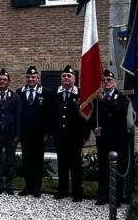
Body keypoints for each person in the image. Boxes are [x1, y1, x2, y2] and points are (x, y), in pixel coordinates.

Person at [50, 65, 90, 202]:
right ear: (61, 78)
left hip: (75, 137)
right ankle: (62, 190)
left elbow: (86, 117)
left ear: (74, 79)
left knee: (75, 165)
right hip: (60, 136)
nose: (66, 78)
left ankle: (77, 192)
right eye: (64, 76)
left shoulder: (81, 94)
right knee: (62, 164)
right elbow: (50, 115)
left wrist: (86, 134)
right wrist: (51, 133)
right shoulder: (54, 93)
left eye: (69, 76)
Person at [93, 69, 130, 206]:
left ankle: (117, 198)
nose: (106, 82)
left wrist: (104, 101)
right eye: (103, 80)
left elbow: (121, 111)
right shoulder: (97, 98)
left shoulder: (120, 97)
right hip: (103, 139)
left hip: (118, 139)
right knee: (103, 168)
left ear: (114, 83)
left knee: (117, 168)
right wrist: (94, 129)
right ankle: (103, 195)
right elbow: (93, 117)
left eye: (109, 80)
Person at [0, 68, 21, 195]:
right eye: (0, 79)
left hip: (11, 135)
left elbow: (18, 116)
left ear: (9, 82)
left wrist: (18, 134)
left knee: (10, 161)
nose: (2, 82)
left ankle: (9, 185)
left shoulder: (15, 97)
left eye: (4, 80)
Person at [17, 65, 47, 198]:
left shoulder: (45, 92)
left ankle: (36, 188)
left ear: (38, 78)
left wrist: (47, 132)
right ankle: (27, 186)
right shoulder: (20, 92)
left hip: (39, 134)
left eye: (33, 77)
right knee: (26, 161)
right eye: (28, 77)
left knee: (38, 161)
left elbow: (49, 114)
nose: (30, 79)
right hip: (25, 134)